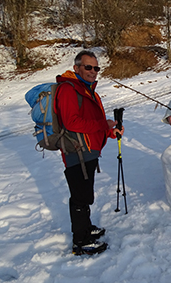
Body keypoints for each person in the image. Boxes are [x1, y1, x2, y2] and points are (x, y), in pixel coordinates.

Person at [54, 50, 124, 255]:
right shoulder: (69, 90)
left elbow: (93, 125)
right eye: (88, 67)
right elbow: (71, 122)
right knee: (80, 197)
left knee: (85, 194)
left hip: (88, 151)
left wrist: (111, 132)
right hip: (76, 152)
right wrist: (105, 123)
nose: (93, 71)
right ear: (76, 68)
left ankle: (86, 228)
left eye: (96, 68)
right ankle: (80, 241)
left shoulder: (87, 90)